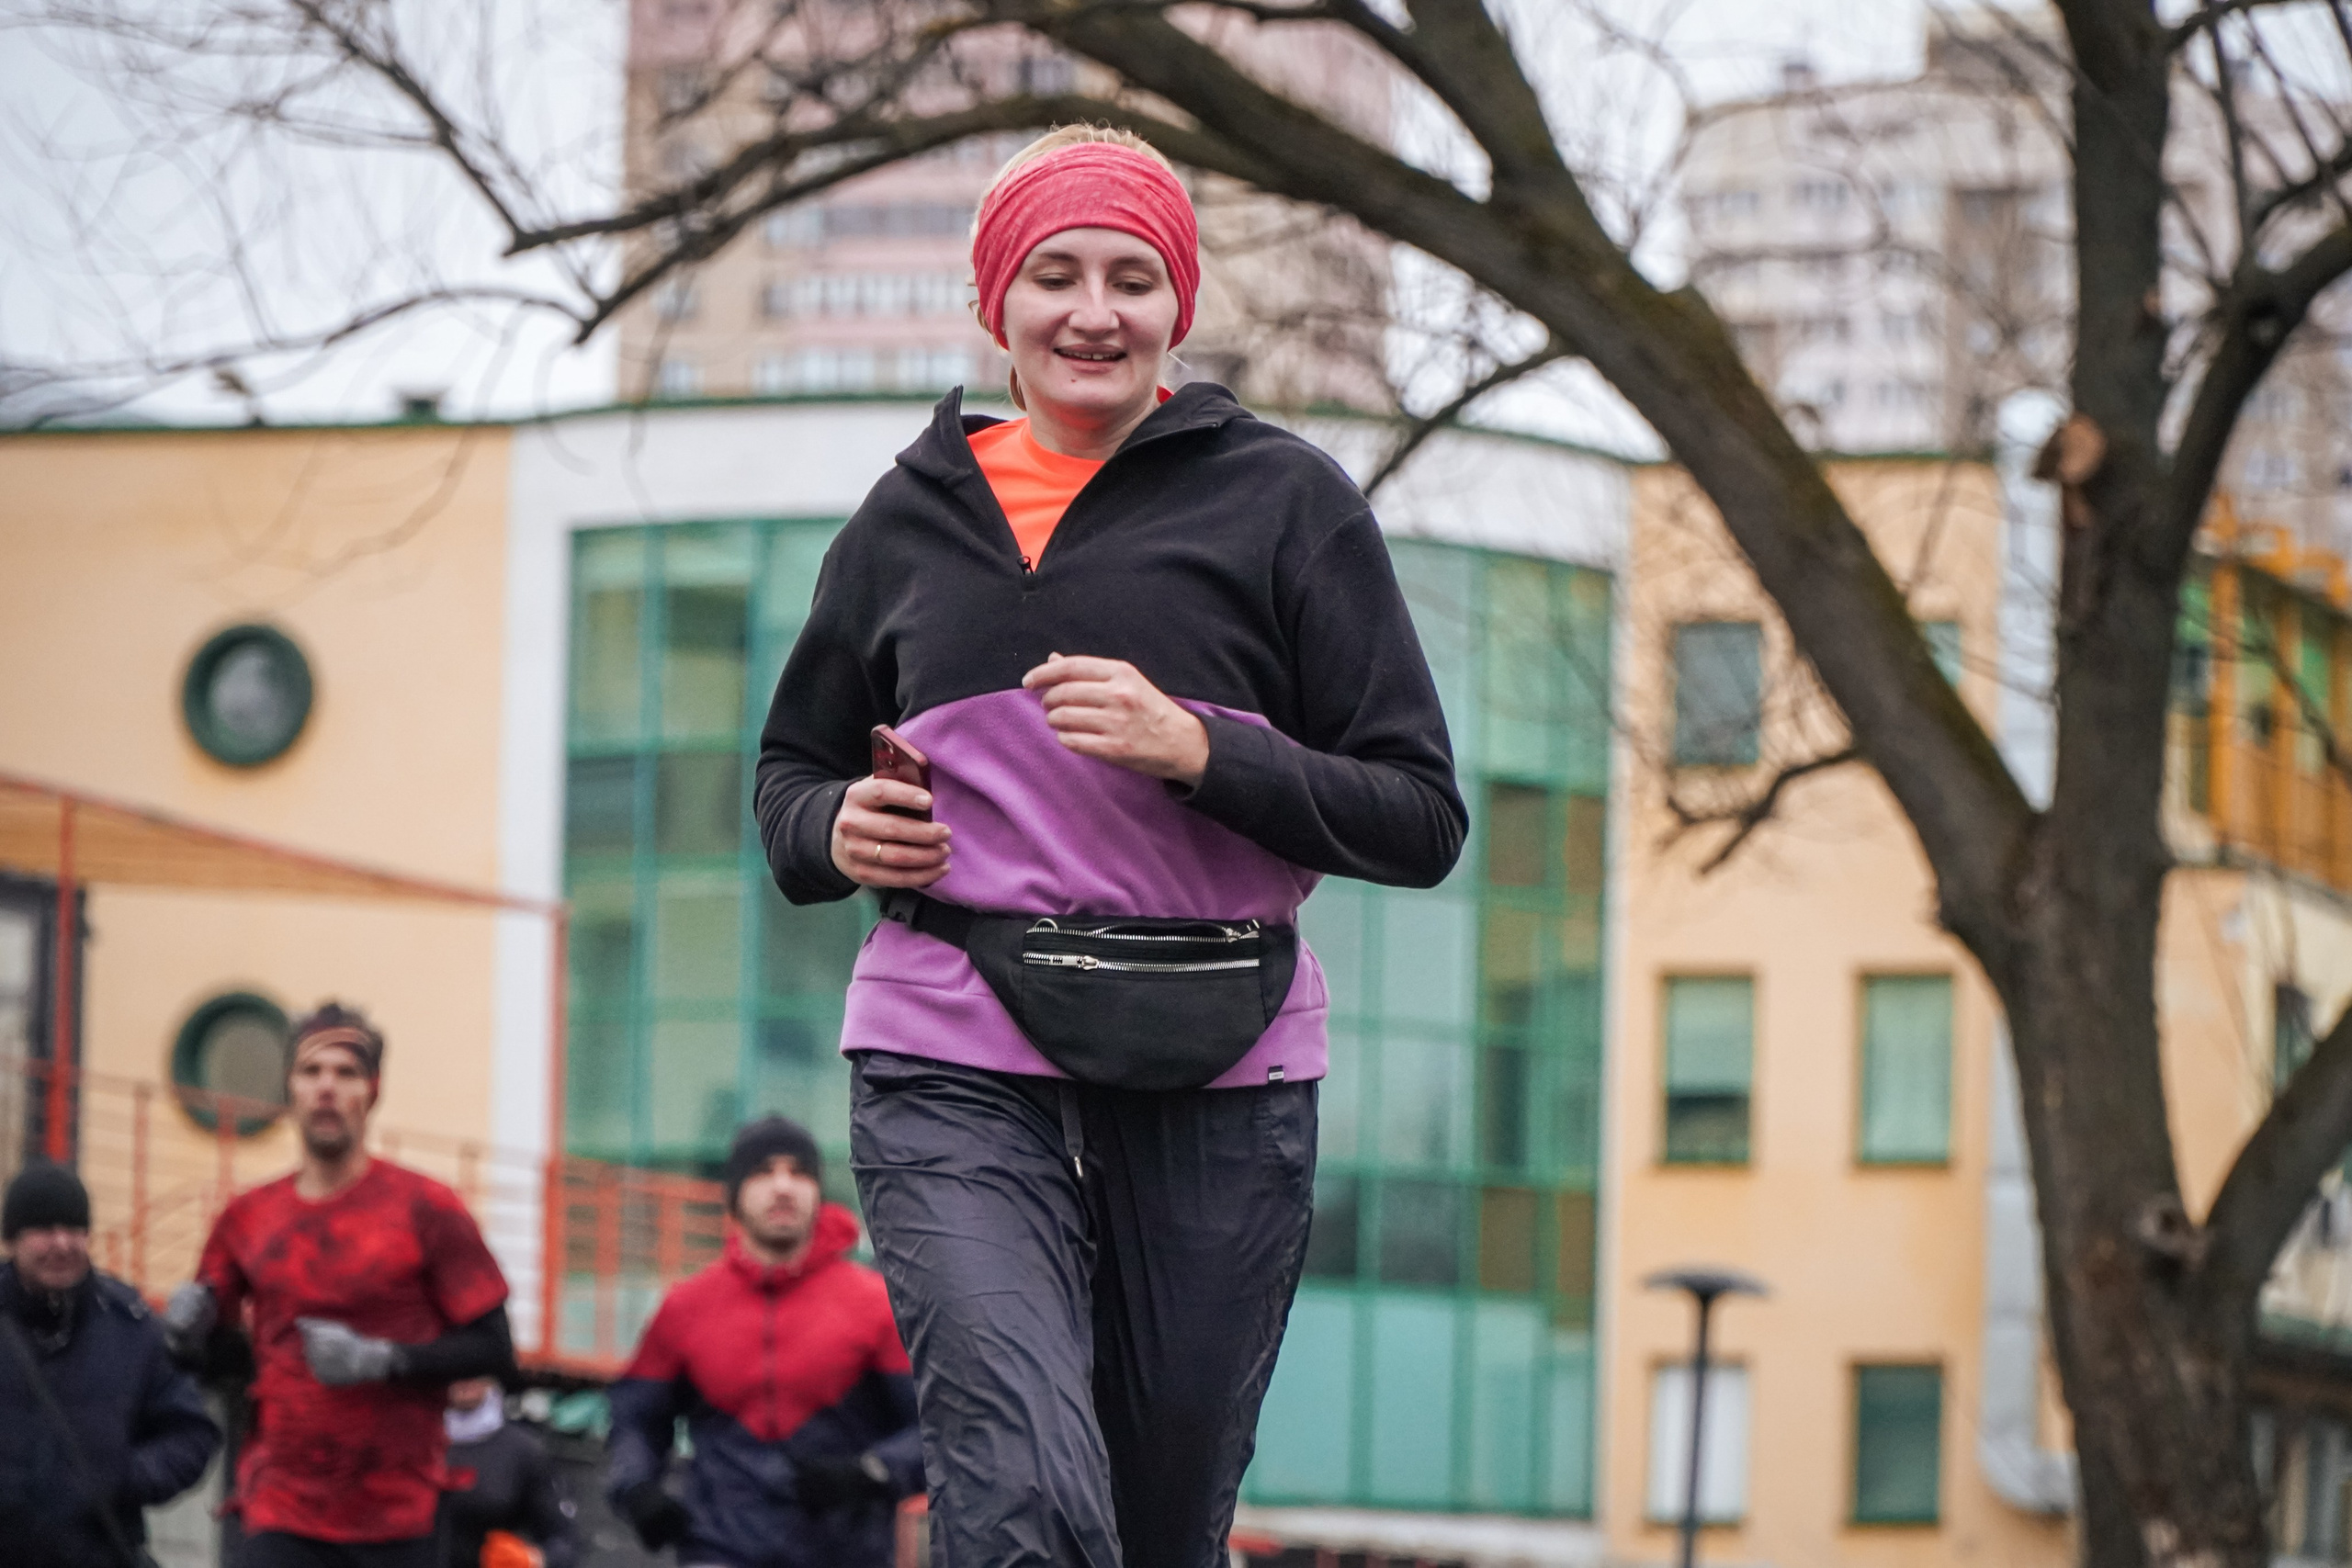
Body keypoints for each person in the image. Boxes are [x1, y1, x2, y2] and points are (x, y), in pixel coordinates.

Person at [754, 126, 1465, 1568]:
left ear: (1178, 308)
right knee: (1024, 1493)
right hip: (953, 1041)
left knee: (1155, 1531)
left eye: (1133, 277)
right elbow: (788, 777)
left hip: (1222, 1048)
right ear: (993, 303)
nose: (1095, 310)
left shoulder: (1287, 502)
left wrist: (1203, 749)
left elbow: (1421, 814)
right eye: (1055, 274)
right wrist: (840, 825)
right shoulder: (904, 519)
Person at [163, 1002, 515, 1568]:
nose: (327, 1087)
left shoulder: (426, 1208)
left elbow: (497, 1351)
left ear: (372, 1091)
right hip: (281, 1507)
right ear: (290, 1089)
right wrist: (185, 1337)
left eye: (345, 1073)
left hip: (396, 1514)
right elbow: (226, 1361)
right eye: (312, 1071)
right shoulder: (247, 1218)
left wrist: (383, 1360)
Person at [605, 1116, 921, 1568]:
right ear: (733, 1193)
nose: (783, 1187)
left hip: (845, 1554)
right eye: (763, 1171)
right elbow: (633, 1416)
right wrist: (637, 1489)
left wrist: (874, 1472)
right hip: (717, 1549)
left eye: (799, 1172)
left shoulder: (876, 1306)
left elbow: (939, 1426)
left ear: (817, 1191)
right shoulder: (685, 1307)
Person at [0, 1160, 221, 1568]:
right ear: (12, 1239)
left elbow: (192, 1433)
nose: (62, 1244)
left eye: (75, 1229)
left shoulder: (130, 1327)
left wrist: (124, 1474)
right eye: (45, 1230)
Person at [435, 1377, 577, 1568]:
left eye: (477, 1368)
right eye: (456, 1368)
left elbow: (565, 1541)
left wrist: (533, 1560)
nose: (466, 1378)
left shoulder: (522, 1450)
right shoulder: (403, 1443)